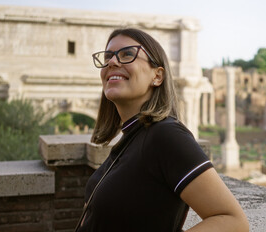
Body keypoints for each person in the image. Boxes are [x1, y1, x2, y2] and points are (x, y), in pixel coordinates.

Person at [76, 28, 249, 232]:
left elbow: (233, 221)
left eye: (127, 54)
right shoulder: (131, 139)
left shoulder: (166, 135)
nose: (112, 62)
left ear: (157, 76)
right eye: (107, 57)